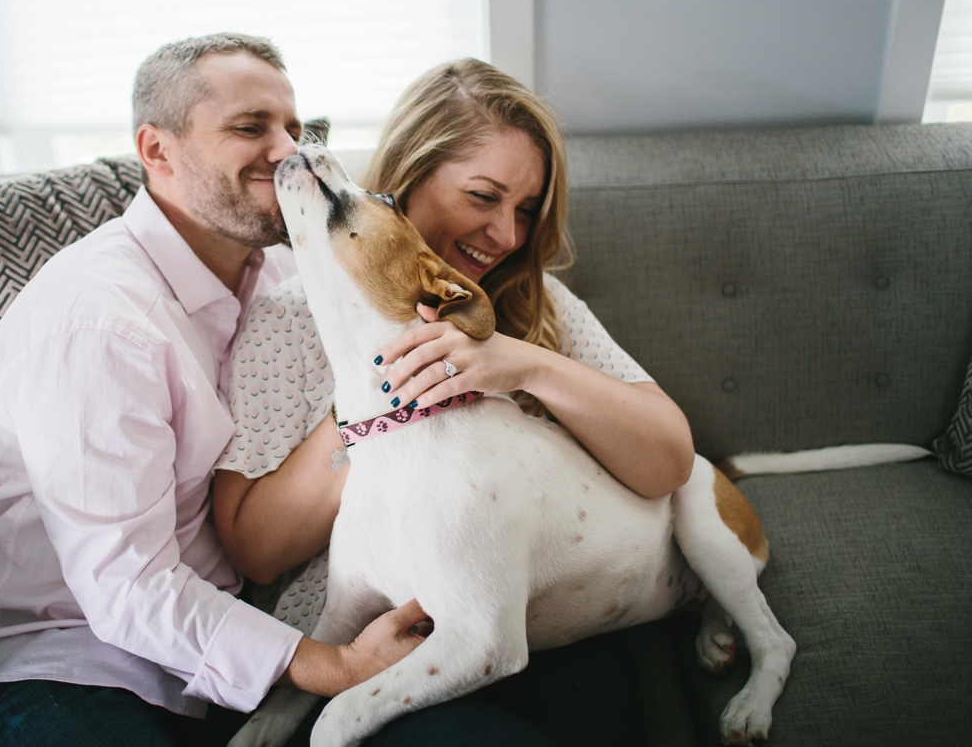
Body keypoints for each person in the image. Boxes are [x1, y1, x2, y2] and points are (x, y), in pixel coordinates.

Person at [0, 34, 431, 747]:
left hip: (233, 650)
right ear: (157, 151)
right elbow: (125, 588)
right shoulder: (96, 323)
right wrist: (337, 665)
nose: (288, 151)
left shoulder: (285, 279)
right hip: (64, 664)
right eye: (251, 128)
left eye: (295, 128)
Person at [211, 58, 696, 746]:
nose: (507, 235)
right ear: (410, 176)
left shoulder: (531, 302)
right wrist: (377, 410)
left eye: (526, 210)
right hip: (380, 643)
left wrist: (525, 364)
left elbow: (671, 461)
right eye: (483, 195)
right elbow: (256, 551)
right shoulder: (291, 319)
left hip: (545, 618)